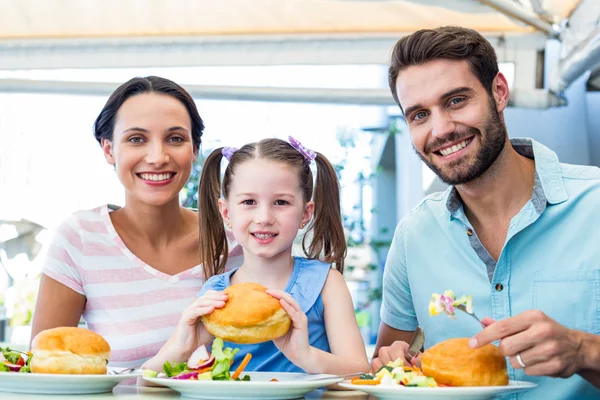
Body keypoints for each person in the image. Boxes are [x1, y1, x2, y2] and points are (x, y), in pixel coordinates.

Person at [371, 26, 600, 398]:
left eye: (456, 100)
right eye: (419, 115)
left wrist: (584, 350)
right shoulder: (414, 235)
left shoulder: (595, 204)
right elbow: (388, 367)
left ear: (499, 91)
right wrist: (393, 365)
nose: (441, 129)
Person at [31, 76, 242, 368]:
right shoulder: (81, 237)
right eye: (136, 139)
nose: (157, 157)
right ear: (108, 149)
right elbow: (44, 366)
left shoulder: (236, 239)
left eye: (175, 138)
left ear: (194, 149)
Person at [143, 137, 370, 375]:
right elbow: (146, 381)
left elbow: (359, 371)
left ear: (306, 213)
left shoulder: (326, 283)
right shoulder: (216, 295)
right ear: (227, 212)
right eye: (249, 201)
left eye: (281, 202)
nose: (264, 217)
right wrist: (183, 346)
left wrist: (306, 356)